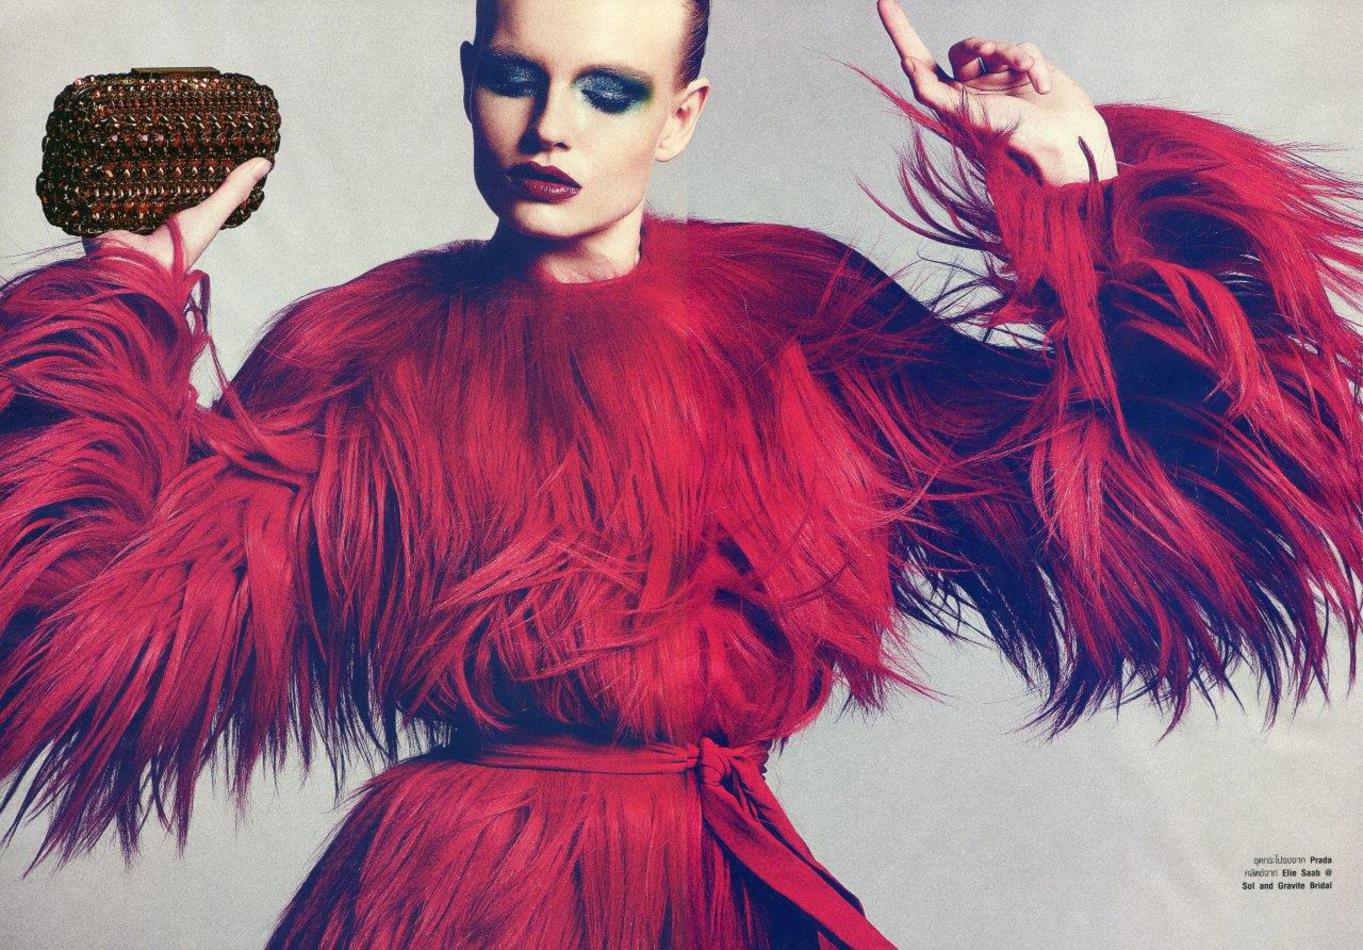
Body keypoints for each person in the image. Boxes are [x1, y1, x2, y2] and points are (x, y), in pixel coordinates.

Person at [3, 0, 1362, 946]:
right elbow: (88, 646)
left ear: (680, 114)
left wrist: (1072, 196)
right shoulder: (360, 347)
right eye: (517, 78)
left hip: (721, 887)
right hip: (458, 899)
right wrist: (122, 293)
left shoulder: (796, 315)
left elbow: (1158, 503)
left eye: (609, 90)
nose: (551, 126)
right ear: (468, 80)